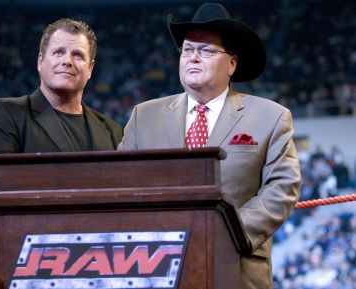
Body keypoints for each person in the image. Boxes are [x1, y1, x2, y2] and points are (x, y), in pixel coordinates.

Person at [118, 3, 301, 289]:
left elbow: (282, 188)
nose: (193, 57)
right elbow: (121, 186)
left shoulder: (271, 117)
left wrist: (227, 233)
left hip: (235, 269)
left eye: (206, 51)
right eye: (187, 49)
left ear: (232, 64)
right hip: (155, 269)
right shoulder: (144, 116)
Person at [0, 18, 123, 196]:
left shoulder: (113, 131)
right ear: (40, 62)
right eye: (58, 52)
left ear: (90, 69)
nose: (67, 61)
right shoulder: (6, 114)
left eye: (78, 55)